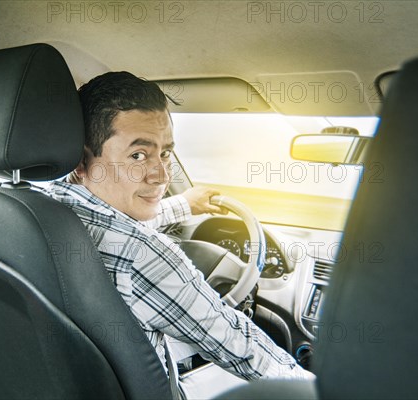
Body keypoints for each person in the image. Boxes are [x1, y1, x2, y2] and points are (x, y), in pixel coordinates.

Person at [40, 71, 311, 380]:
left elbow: (110, 220)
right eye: (138, 155)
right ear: (81, 158)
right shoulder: (142, 254)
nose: (161, 176)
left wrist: (183, 205)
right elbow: (240, 347)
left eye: (165, 153)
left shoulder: (38, 207)